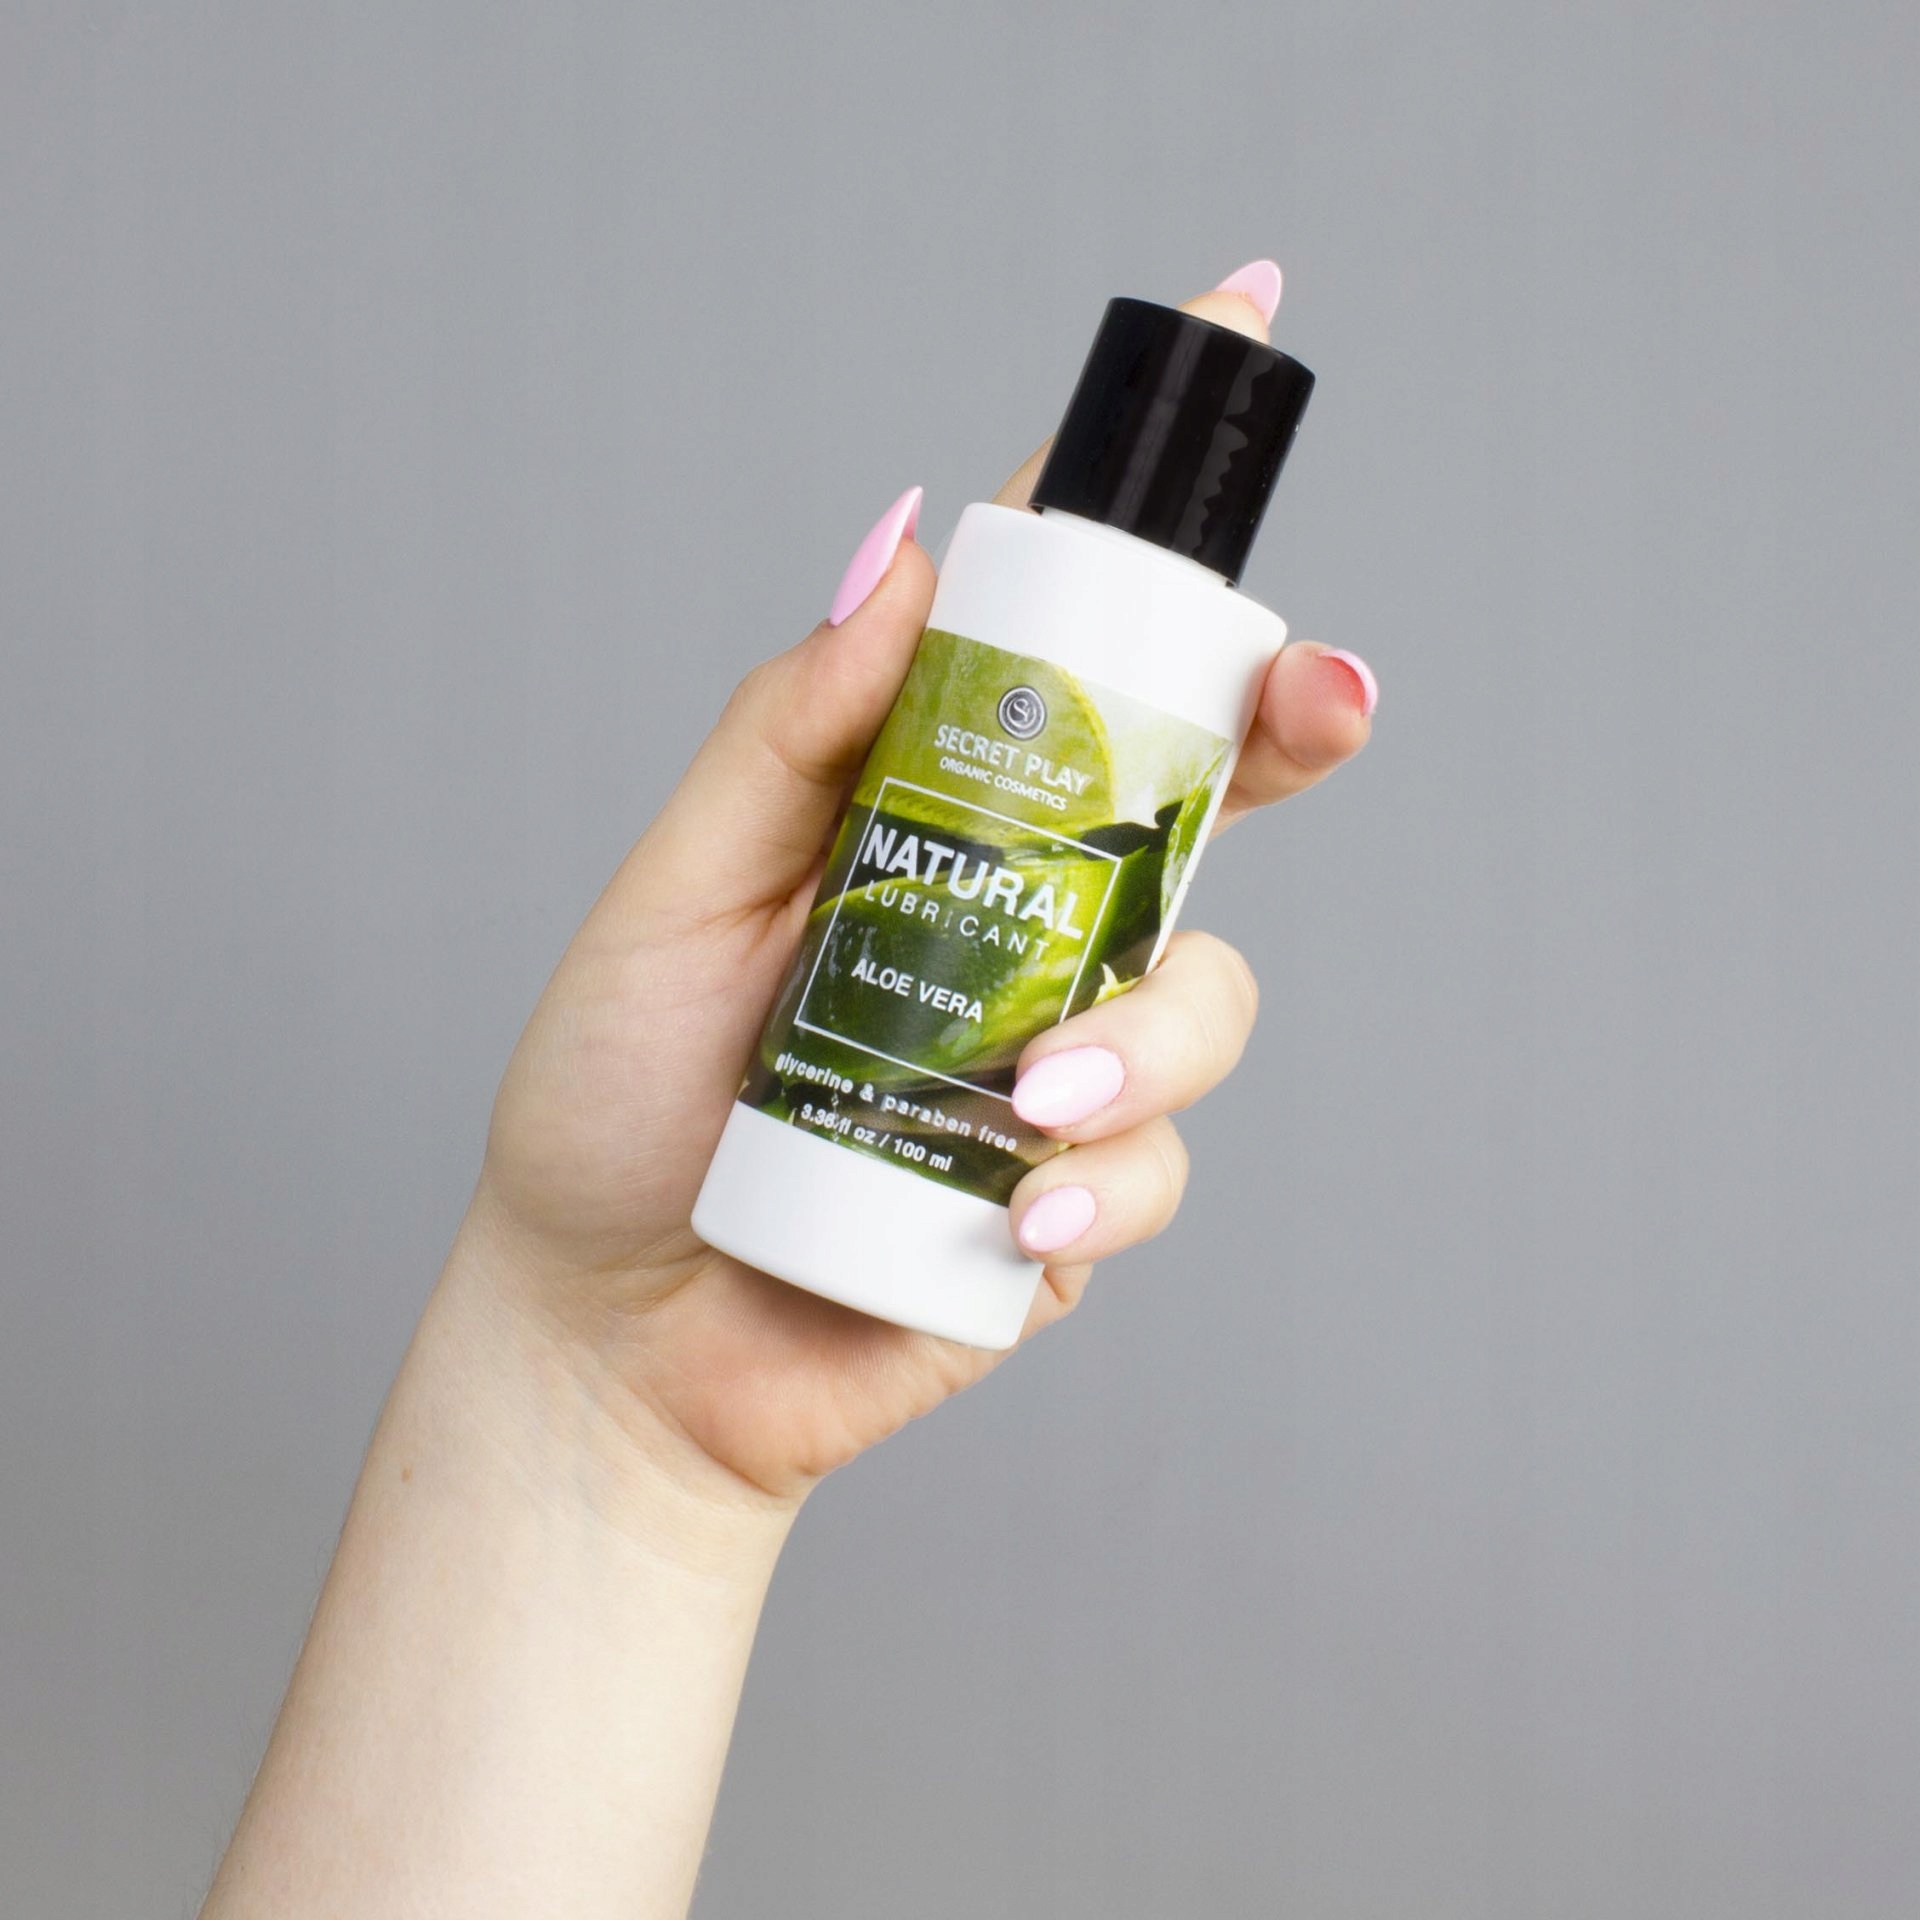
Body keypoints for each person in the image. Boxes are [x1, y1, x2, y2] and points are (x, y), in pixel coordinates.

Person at [197, 263, 1377, 1919]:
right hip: (787, 1124)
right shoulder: (1018, 568)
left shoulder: (1178, 641)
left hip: (886, 1194)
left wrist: (630, 1426)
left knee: (1072, 923)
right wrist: (575, 1351)